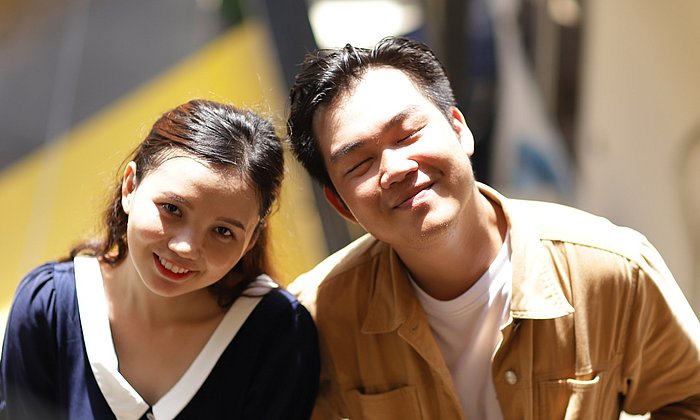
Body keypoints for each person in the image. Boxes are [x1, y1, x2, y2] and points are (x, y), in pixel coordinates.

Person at [285, 36, 700, 419]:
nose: (395, 169)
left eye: (409, 134)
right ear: (340, 203)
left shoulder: (611, 268)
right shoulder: (315, 316)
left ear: (458, 129)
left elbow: (690, 398)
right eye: (359, 164)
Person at [0, 99, 319, 419]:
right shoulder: (51, 306)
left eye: (222, 231)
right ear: (130, 187)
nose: (186, 247)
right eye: (172, 209)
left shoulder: (277, 334)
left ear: (250, 240)